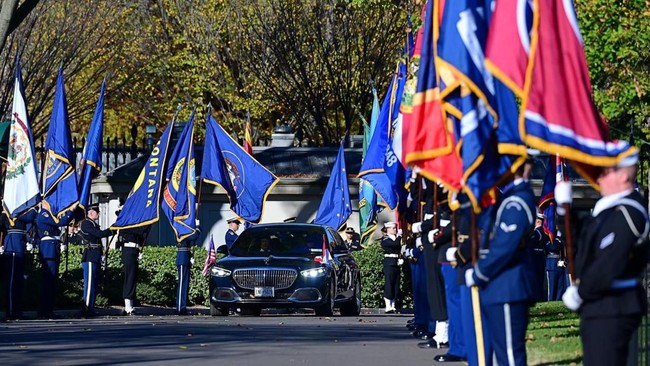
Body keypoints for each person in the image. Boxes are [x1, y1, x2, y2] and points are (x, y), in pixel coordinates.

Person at [559, 153, 649, 365]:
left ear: (624, 177)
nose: (598, 177)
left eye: (606, 171)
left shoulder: (629, 212)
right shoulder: (607, 210)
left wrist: (581, 292)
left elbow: (608, 264)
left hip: (613, 306)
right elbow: (580, 242)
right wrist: (564, 209)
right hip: (601, 306)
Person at [465, 161, 537, 366]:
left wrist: (480, 272)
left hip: (508, 287)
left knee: (509, 357)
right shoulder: (507, 198)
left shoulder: (517, 201)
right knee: (500, 355)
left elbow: (505, 246)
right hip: (498, 287)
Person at [35, 203, 76, 318]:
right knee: (49, 280)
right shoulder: (44, 214)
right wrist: (70, 211)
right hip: (49, 248)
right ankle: (45, 310)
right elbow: (61, 222)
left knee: (51, 281)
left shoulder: (49, 215)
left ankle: (48, 309)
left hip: (52, 247)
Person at [1, 206, 38, 319]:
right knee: (12, 281)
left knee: (18, 280)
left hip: (20, 244)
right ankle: (11, 311)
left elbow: (31, 216)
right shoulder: (6, 212)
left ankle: (16, 310)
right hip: (12, 244)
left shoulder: (21, 211)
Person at [78, 205, 114, 317]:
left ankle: (91, 308)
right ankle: (86, 308)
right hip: (90, 256)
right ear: (91, 212)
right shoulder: (86, 223)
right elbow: (99, 234)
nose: (98, 214)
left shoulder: (93, 224)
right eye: (97, 212)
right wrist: (112, 229)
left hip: (95, 255)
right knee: (89, 285)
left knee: (93, 283)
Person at [116, 224, 150, 316]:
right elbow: (137, 231)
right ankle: (128, 306)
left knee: (133, 277)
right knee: (129, 277)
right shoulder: (126, 224)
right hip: (128, 249)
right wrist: (146, 225)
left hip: (134, 250)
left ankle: (131, 303)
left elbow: (141, 234)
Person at [176, 227, 200, 316]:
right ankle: (179, 307)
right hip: (182, 257)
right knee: (182, 284)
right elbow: (193, 237)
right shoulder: (180, 229)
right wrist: (197, 229)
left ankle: (183, 307)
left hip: (186, 257)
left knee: (185, 284)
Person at [528, 212, 550, 302]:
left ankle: (537, 298)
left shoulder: (537, 232)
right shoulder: (544, 232)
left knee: (536, 279)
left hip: (535, 258)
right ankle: (540, 297)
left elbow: (531, 244)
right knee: (540, 279)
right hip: (541, 257)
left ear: (537, 221)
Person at [380, 222, 401, 313]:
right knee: (389, 283)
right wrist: (399, 237)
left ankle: (393, 305)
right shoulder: (385, 239)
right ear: (388, 229)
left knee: (395, 284)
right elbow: (394, 244)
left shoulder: (396, 239)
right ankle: (388, 305)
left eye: (395, 228)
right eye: (393, 228)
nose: (395, 229)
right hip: (389, 263)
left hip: (396, 262)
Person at [545, 230, 566, 301]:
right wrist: (558, 239)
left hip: (560, 264)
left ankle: (558, 300)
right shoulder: (547, 239)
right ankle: (551, 300)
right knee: (552, 286)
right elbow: (552, 248)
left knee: (560, 286)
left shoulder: (560, 240)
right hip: (551, 265)